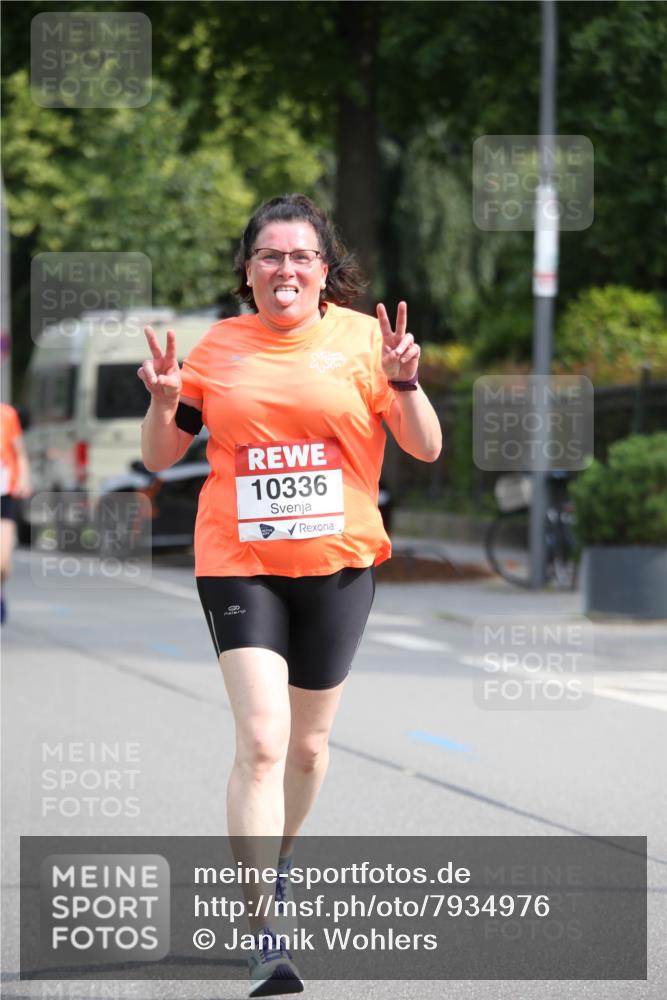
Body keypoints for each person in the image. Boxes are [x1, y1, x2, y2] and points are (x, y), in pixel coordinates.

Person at [138, 194, 442, 996]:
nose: (284, 269)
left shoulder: (360, 340)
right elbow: (163, 456)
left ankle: (274, 858)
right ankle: (262, 932)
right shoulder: (219, 346)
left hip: (338, 564)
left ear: (323, 269)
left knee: (308, 749)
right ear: (248, 271)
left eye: (299, 256)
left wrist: (405, 384)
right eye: (268, 256)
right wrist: (166, 402)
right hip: (237, 560)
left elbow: (426, 445)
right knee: (265, 740)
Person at [1, 403, 31, 624]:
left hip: (4, 494)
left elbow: (20, 453)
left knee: (2, 562)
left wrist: (24, 478)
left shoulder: (7, 414)